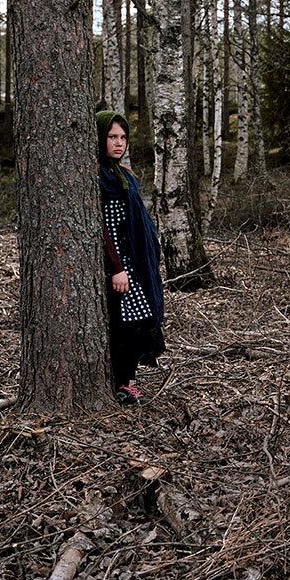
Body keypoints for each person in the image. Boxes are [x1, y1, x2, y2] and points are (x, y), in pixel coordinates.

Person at [97, 110, 165, 405]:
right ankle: (124, 382)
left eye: (123, 137)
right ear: (100, 138)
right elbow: (102, 226)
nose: (118, 143)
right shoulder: (96, 176)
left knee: (141, 319)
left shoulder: (124, 175)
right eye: (112, 137)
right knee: (123, 323)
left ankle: (129, 379)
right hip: (115, 264)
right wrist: (116, 267)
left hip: (133, 265)